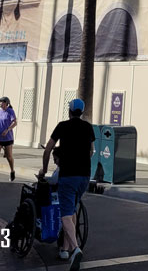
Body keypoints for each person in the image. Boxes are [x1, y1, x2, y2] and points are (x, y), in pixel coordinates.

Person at [39, 98, 95, 270]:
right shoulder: (88, 127)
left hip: (68, 175)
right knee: (73, 208)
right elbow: (91, 150)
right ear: (82, 112)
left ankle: (76, 248)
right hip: (84, 175)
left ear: (69, 111)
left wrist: (44, 169)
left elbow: (48, 148)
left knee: (64, 214)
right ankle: (65, 248)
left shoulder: (62, 126)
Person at [0, 96, 18, 185]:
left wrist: (7, 130)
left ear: (6, 103)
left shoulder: (10, 111)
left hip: (7, 137)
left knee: (9, 157)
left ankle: (12, 170)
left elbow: (15, 122)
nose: (0, 103)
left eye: (1, 102)